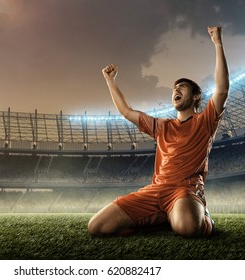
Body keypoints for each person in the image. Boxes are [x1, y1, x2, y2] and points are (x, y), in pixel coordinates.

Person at [88, 26, 229, 238]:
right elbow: (127, 112)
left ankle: (203, 216)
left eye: (181, 87)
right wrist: (110, 80)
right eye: (174, 89)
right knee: (96, 227)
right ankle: (163, 218)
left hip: (185, 191)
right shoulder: (162, 126)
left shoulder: (205, 121)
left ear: (195, 97)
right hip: (156, 191)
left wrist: (218, 43)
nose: (176, 91)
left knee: (188, 229)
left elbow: (222, 89)